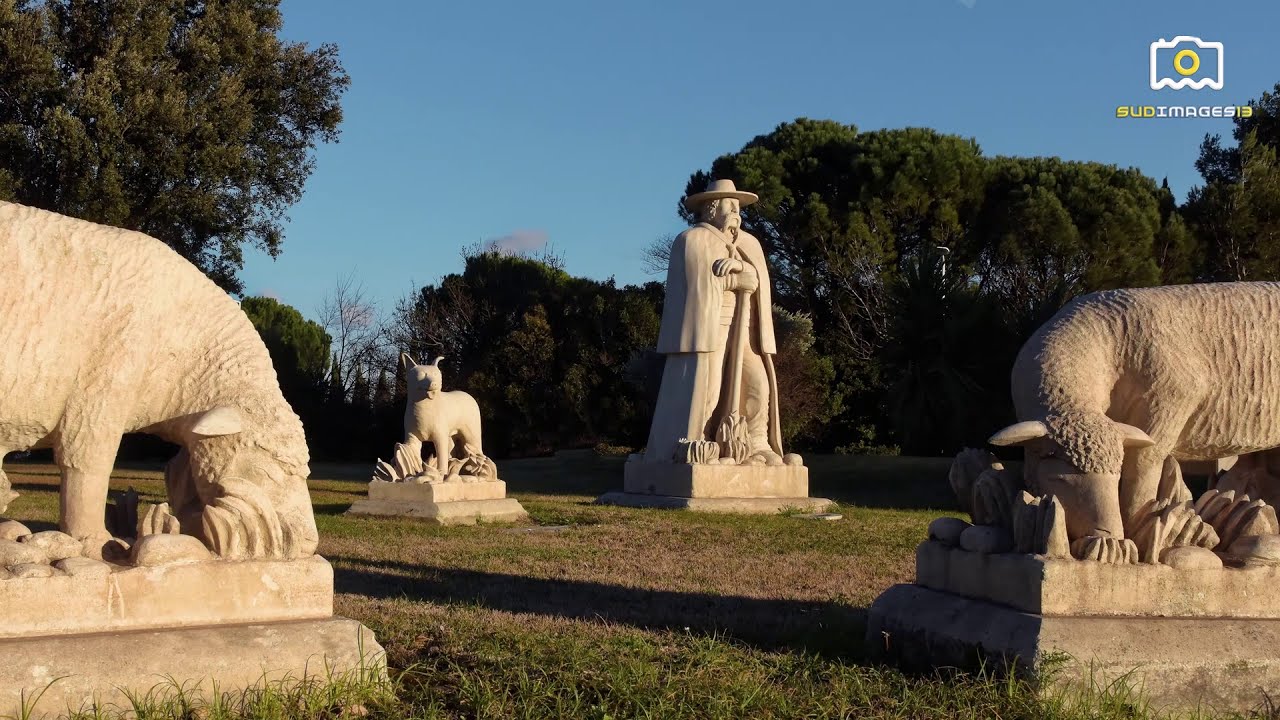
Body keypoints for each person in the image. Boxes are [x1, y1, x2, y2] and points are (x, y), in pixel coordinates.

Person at [643, 179, 784, 465]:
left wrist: (745, 269)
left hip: (745, 328)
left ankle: (757, 444)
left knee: (757, 384)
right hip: (709, 327)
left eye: (738, 206)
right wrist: (736, 279)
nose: (736, 212)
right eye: (729, 206)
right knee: (708, 387)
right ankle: (701, 441)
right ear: (710, 209)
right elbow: (696, 286)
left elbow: (759, 283)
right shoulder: (692, 240)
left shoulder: (749, 243)